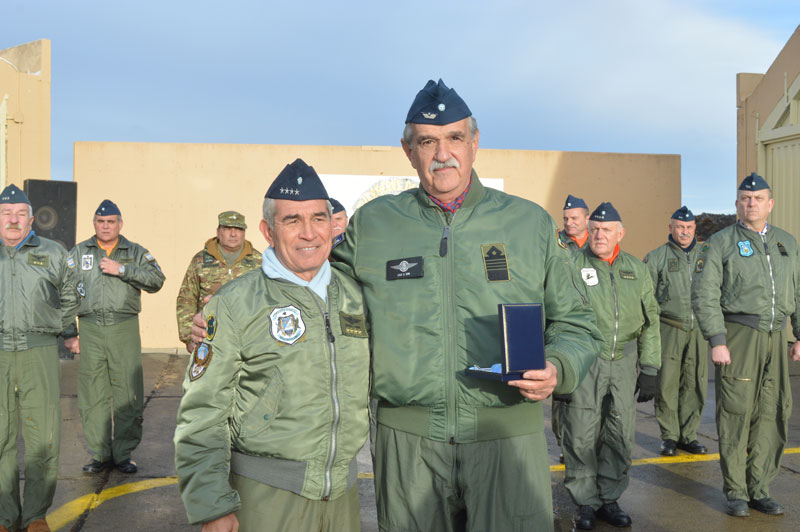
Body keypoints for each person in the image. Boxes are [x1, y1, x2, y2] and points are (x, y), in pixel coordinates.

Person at [332, 79, 601, 532]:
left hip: (505, 436)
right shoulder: (374, 225)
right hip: (409, 442)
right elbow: (317, 296)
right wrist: (229, 313)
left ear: (475, 143)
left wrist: (557, 366)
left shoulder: (527, 223)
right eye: (427, 141)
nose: (443, 153)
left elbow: (577, 322)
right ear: (407, 150)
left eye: (455, 138)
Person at [175, 159, 369, 532]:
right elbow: (203, 411)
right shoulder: (234, 303)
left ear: (333, 225)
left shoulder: (357, 297)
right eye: (292, 220)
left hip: (343, 497)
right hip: (265, 496)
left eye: (318, 218)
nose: (309, 233)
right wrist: (212, 505)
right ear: (268, 230)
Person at [692, 173, 800, 518]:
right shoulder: (722, 242)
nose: (750, 204)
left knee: (772, 412)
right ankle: (736, 491)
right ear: (736, 204)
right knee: (736, 413)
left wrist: (798, 334)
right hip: (739, 337)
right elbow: (705, 293)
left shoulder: (787, 242)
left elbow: (797, 291)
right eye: (744, 199)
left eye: (757, 199)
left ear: (770, 204)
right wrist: (717, 340)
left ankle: (760, 489)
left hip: (775, 337)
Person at [562, 202, 660, 530]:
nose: (599, 235)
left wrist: (650, 367)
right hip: (586, 358)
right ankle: (585, 502)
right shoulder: (572, 266)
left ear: (620, 233)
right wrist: (561, 368)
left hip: (625, 359)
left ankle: (609, 497)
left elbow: (651, 320)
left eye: (606, 230)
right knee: (581, 432)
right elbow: (557, 319)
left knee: (619, 431)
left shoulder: (637, 268)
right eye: (594, 230)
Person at [0, 184, 80, 532]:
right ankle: (5, 515)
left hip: (40, 351)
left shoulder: (52, 253)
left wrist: (66, 331)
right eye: (6, 214)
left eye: (20, 214)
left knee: (42, 435)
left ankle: (35, 514)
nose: (13, 220)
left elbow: (70, 295)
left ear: (32, 219)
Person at [69, 200, 165, 475]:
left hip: (123, 327)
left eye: (111, 221)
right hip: (90, 328)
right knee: (93, 393)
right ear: (94, 224)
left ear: (120, 224)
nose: (106, 226)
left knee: (127, 391)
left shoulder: (134, 252)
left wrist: (122, 270)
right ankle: (99, 454)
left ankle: (123, 453)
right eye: (101, 222)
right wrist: (69, 332)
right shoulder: (79, 252)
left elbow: (157, 280)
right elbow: (65, 292)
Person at [644, 206, 707, 457]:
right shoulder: (657, 257)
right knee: (667, 385)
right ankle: (669, 436)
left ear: (695, 229)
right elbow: (646, 297)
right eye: (680, 227)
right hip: (669, 328)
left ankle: (688, 436)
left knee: (695, 384)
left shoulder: (707, 255)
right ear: (670, 228)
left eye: (689, 227)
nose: (684, 232)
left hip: (698, 331)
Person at [176, 210, 261, 353]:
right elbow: (186, 299)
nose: (233, 234)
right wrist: (189, 337)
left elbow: (265, 300)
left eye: (238, 229)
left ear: (244, 233)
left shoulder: (258, 261)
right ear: (218, 231)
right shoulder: (201, 260)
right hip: (208, 336)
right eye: (227, 229)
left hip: (247, 338)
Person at [552, 193, 591, 462]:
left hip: (590, 328)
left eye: (574, 218)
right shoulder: (555, 244)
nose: (569, 222)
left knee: (590, 398)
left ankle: (586, 445)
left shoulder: (597, 245)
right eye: (566, 218)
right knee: (564, 395)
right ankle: (566, 445)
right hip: (563, 325)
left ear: (587, 218)